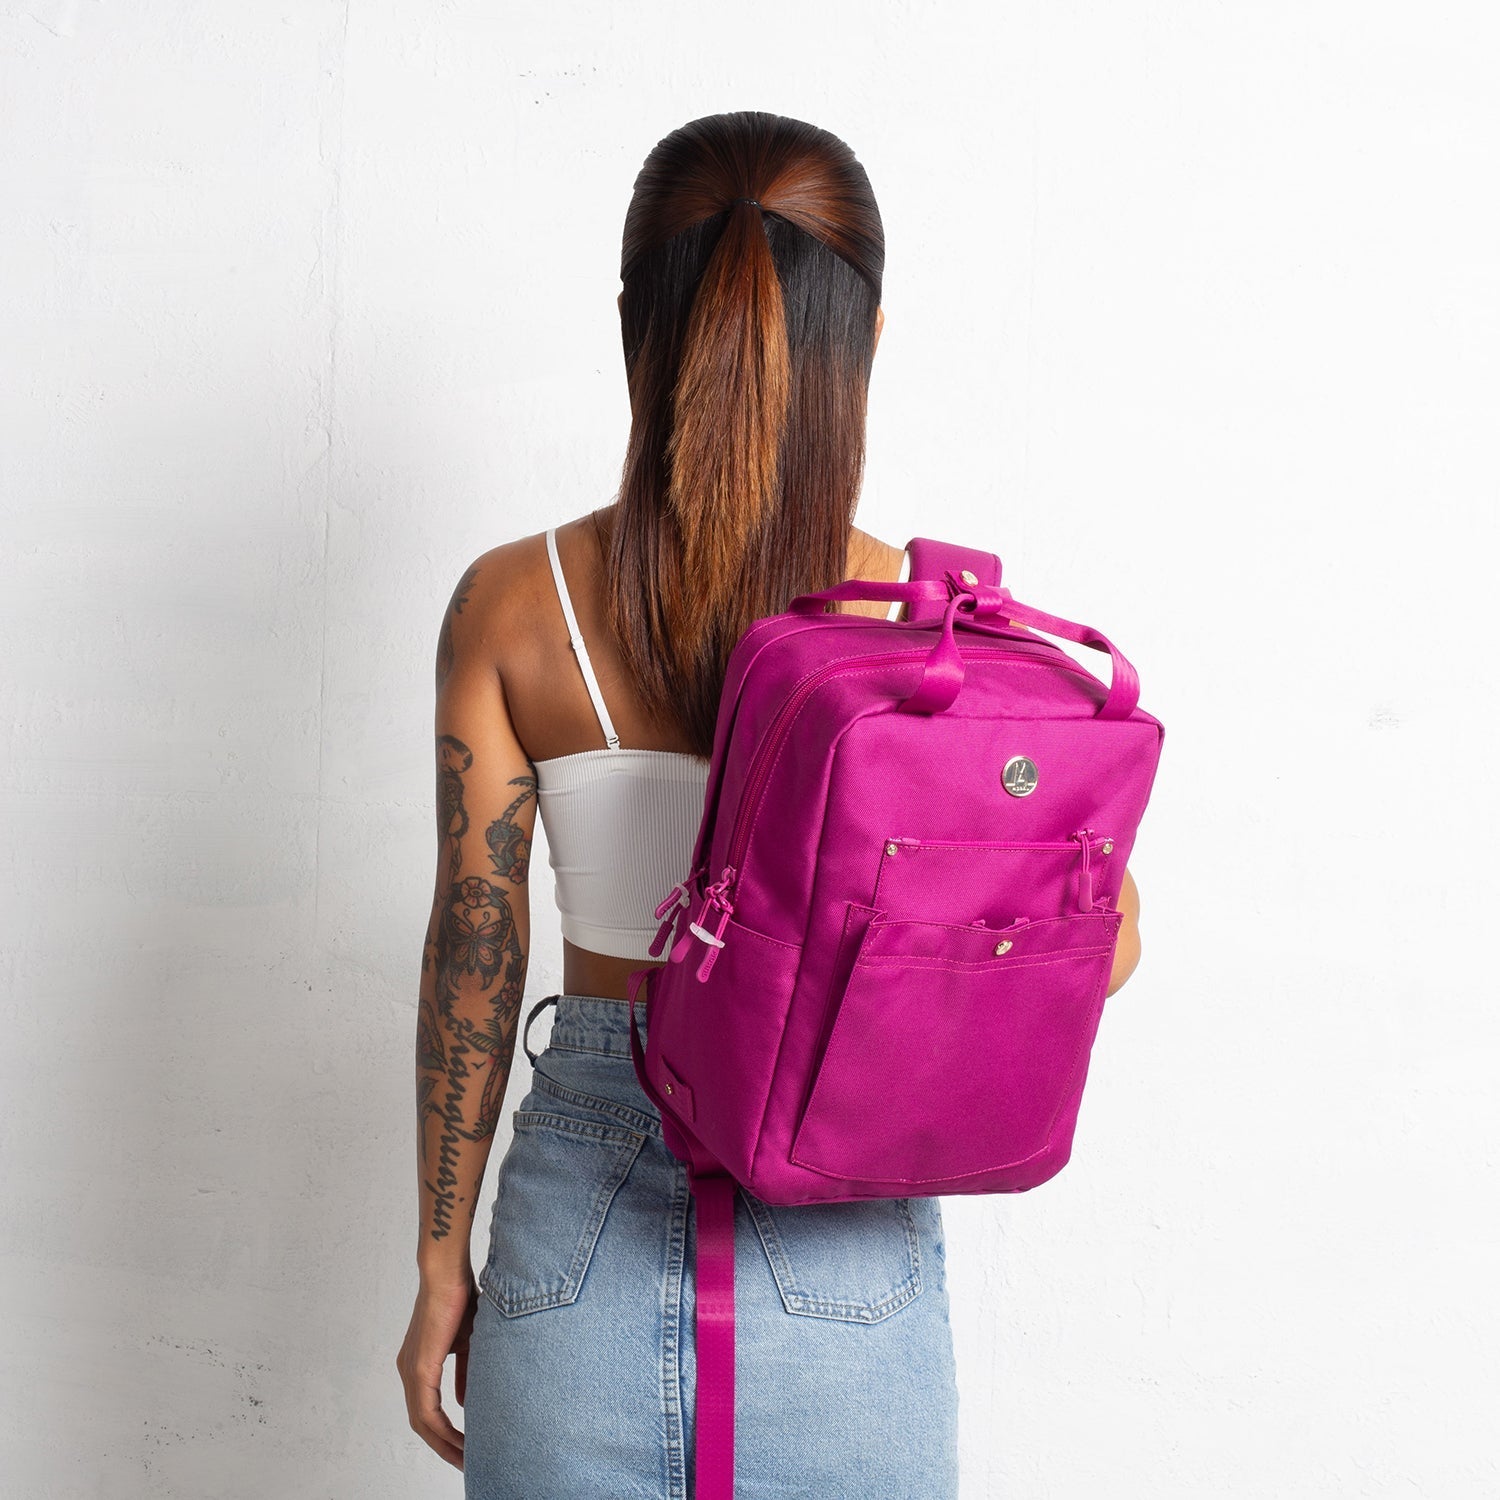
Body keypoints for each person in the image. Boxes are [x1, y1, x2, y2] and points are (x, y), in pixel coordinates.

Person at [396, 109, 1143, 1499]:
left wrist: (442, 1266)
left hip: (579, 1229)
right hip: (843, 1243)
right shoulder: (937, 641)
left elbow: (473, 960)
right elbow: (1104, 951)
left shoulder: (510, 606)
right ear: (864, 339)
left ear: (637, 323)